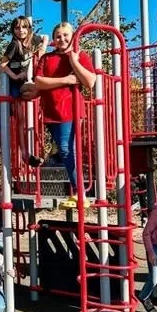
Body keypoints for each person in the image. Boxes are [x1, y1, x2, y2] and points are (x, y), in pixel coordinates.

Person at [34, 22, 96, 209]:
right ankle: (77, 192)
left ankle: (80, 192)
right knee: (64, 151)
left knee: (67, 149)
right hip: (52, 112)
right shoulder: (47, 58)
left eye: (66, 35)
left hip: (70, 110)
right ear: (54, 39)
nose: (62, 39)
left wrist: (74, 62)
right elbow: (39, 81)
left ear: (73, 36)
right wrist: (66, 80)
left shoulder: (80, 55)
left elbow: (90, 81)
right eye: (58, 36)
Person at [0, 15, 48, 168]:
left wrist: (42, 48)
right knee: (20, 120)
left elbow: (45, 37)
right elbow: (2, 64)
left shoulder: (32, 39)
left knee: (26, 119)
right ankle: (24, 154)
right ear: (13, 30)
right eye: (17, 27)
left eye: (24, 27)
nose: (21, 30)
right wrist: (15, 75)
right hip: (14, 84)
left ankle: (31, 152)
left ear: (29, 28)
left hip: (24, 81)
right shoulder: (14, 45)